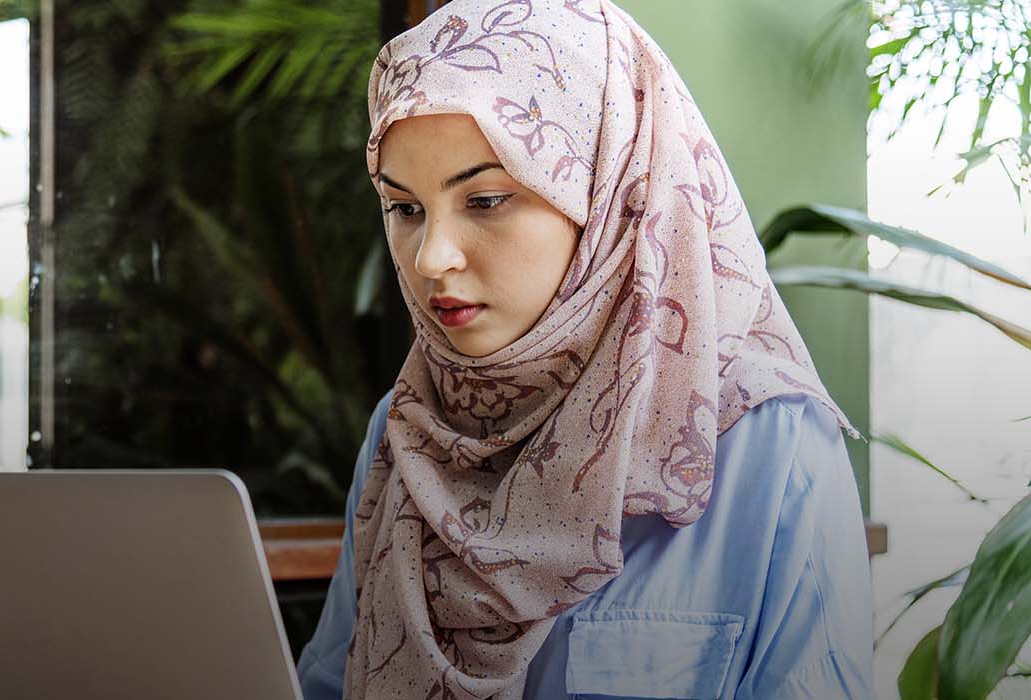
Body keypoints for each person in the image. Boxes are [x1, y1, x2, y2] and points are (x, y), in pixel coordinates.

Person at [295, 1, 874, 698]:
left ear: (609, 195)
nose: (431, 259)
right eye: (405, 208)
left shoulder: (769, 444)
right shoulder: (411, 428)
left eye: (485, 200)